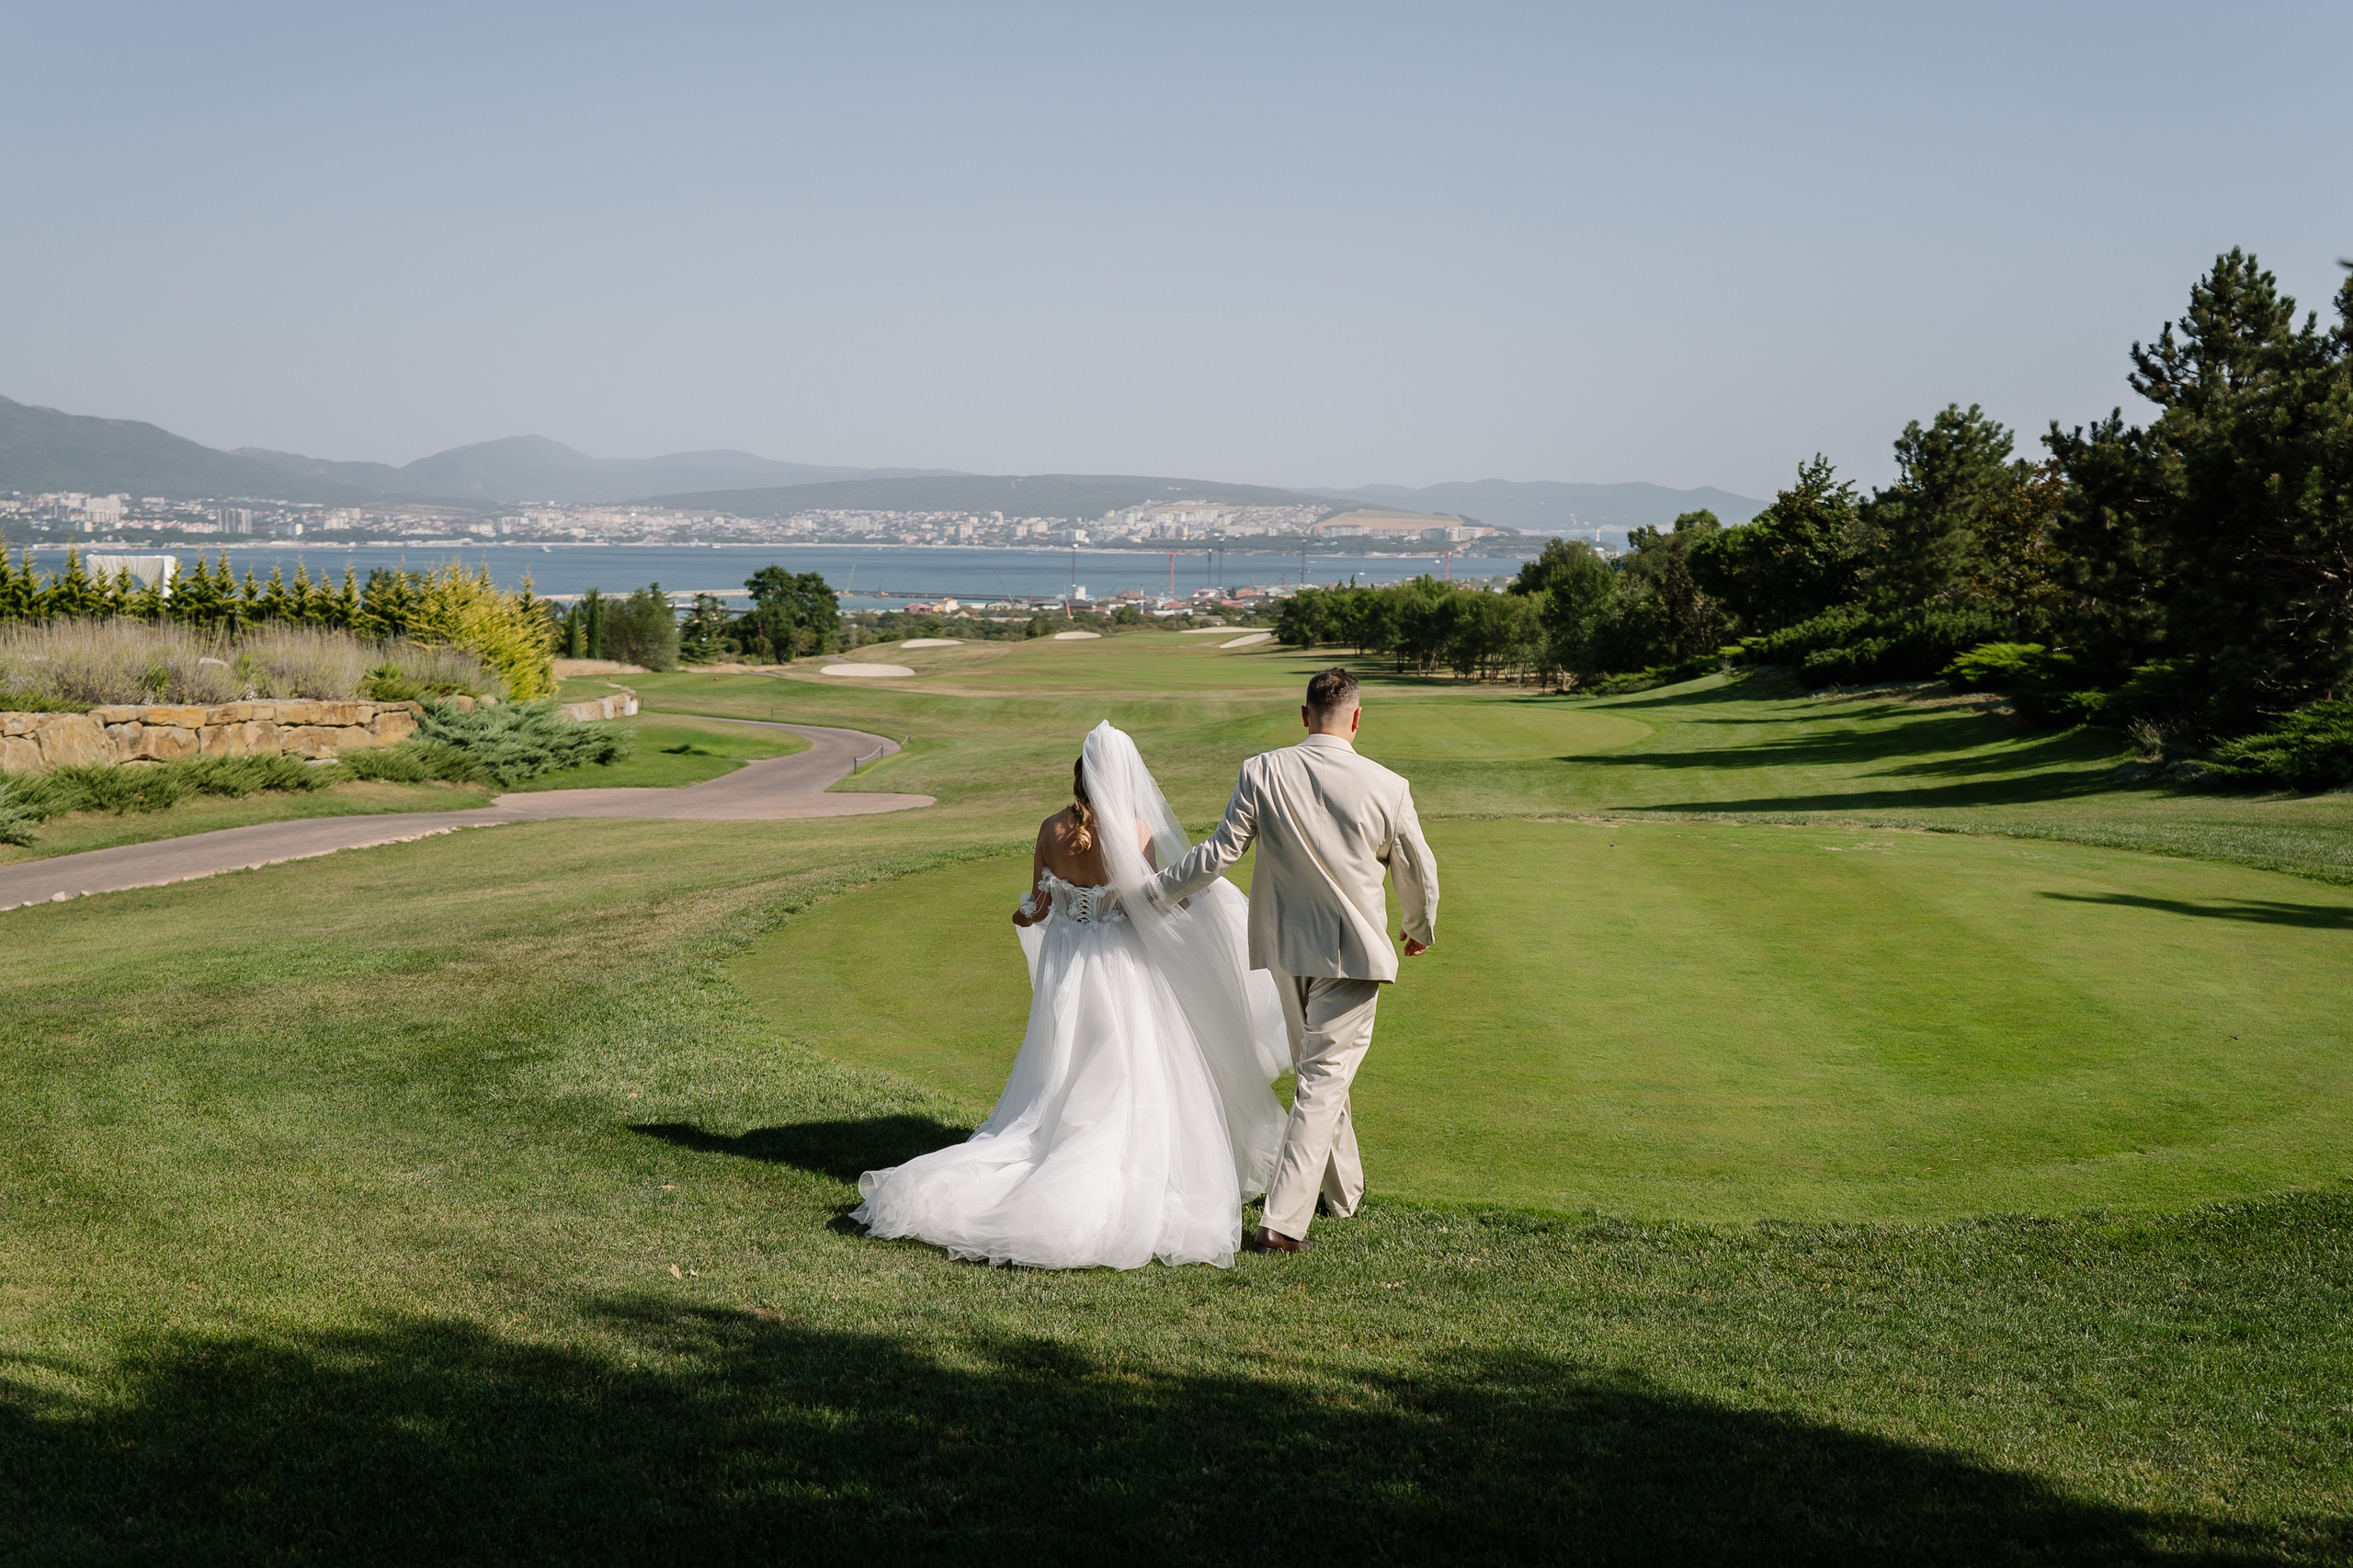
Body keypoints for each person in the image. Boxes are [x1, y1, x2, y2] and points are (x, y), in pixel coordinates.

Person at [853, 722, 1290, 1268]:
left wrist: (1038, 911)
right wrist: (1203, 905)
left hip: (1068, 972)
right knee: (1125, 1070)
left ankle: (1051, 1150)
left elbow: (1035, 909)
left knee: (1063, 1070)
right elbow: (1151, 904)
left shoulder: (1049, 829)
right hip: (1122, 969)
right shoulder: (1134, 832)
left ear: (1078, 776)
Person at [1151, 666, 1438, 1254]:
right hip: (1352, 953)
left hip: (1284, 951)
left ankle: (1345, 1195)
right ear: (1356, 718)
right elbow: (1418, 869)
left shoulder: (1262, 769)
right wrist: (1419, 927)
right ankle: (1282, 1225)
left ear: (1305, 714)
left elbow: (1217, 854)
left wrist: (1155, 891)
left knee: (1323, 1077)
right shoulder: (1388, 785)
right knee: (1322, 1081)